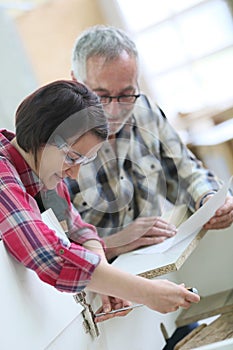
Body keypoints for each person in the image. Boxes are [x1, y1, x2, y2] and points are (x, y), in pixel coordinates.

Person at [0, 80, 200, 326]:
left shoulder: (41, 167)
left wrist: (107, 276)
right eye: (72, 158)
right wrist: (146, 292)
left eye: (83, 161)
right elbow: (49, 256)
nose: (73, 175)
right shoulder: (3, 174)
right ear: (43, 136)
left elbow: (80, 230)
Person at [68, 25, 233, 263]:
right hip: (101, 284)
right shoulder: (55, 143)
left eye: (126, 94)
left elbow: (184, 171)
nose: (115, 111)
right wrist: (113, 244)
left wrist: (210, 199)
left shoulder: (145, 111)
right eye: (101, 95)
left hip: (162, 262)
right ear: (76, 81)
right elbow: (56, 247)